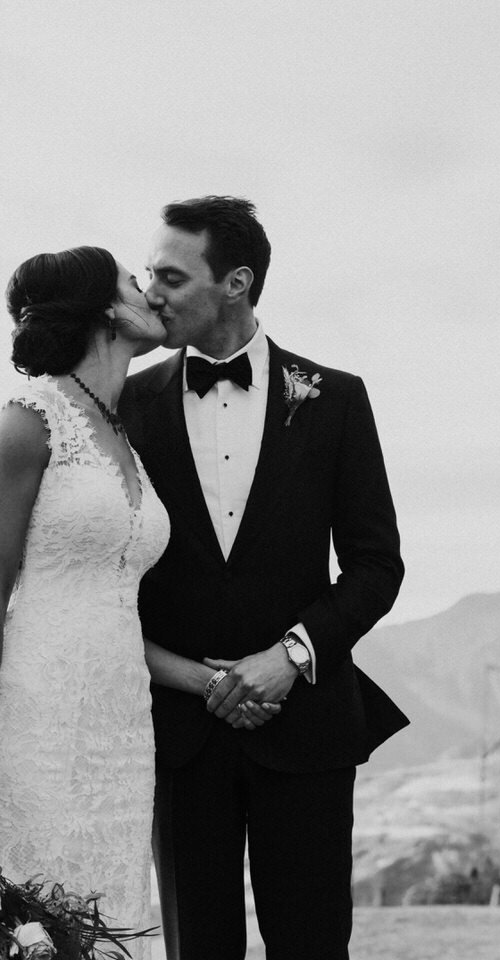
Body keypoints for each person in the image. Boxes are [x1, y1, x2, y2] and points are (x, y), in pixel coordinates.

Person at [0, 246, 281, 944]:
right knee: (32, 926)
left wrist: (207, 679)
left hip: (121, 730)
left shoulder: (125, 433)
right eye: (131, 281)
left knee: (105, 924)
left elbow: (112, 611)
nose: (148, 290)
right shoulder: (27, 421)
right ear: (105, 311)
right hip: (38, 721)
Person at [122, 197, 407, 960]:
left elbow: (377, 565)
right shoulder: (128, 403)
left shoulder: (336, 399)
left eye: (171, 277)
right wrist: (198, 680)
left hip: (307, 730)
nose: (151, 292)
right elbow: (113, 578)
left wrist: (288, 660)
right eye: (150, 273)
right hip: (181, 740)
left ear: (237, 282)